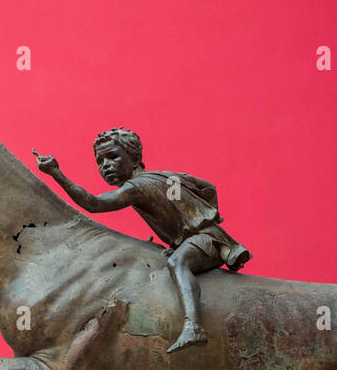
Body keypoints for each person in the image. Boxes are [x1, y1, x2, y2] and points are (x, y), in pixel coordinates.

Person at [33, 127, 251, 353]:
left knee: (177, 263)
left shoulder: (136, 187)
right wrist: (207, 216)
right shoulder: (165, 176)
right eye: (100, 161)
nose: (106, 165)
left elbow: (94, 204)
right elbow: (208, 187)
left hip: (207, 239)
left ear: (134, 158)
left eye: (113, 156)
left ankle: (193, 326)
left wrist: (56, 173)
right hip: (204, 236)